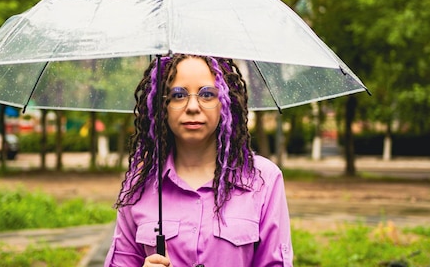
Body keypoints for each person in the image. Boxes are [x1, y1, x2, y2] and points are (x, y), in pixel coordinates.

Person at [104, 54, 293, 267]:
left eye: (207, 94)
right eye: (178, 95)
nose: (193, 106)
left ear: (225, 102)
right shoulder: (139, 185)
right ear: (161, 105)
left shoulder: (264, 180)